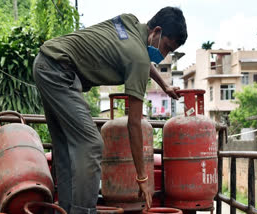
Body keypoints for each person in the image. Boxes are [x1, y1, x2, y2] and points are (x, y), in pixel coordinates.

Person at [33, 6, 187, 214]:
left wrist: (164, 85)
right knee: (91, 144)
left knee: (65, 148)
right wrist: (142, 177)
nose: (164, 54)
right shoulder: (138, 58)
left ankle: (66, 210)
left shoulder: (130, 22)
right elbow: (134, 124)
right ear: (156, 32)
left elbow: (140, 56)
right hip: (59, 72)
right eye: (167, 47)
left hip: (46, 63)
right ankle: (83, 211)